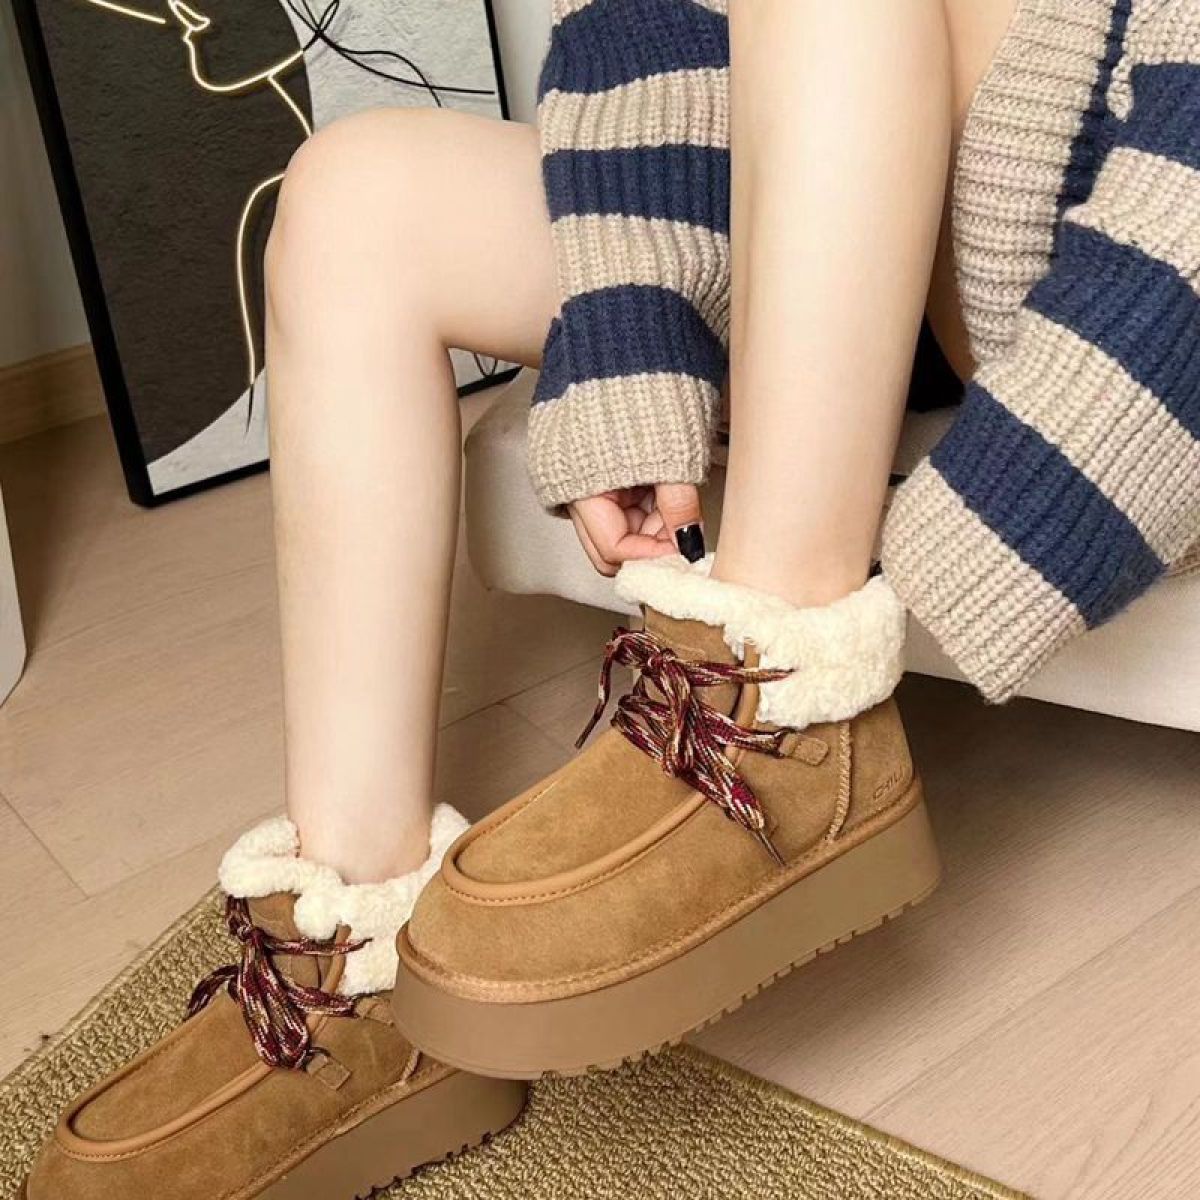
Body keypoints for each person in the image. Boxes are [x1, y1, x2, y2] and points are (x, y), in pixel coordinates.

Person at [23, 1, 1200, 1196]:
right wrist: (636, 336)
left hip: (1100, 269)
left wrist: (979, 533)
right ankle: (354, 957)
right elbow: (653, 21)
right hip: (837, 207)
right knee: (354, 200)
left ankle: (782, 698)